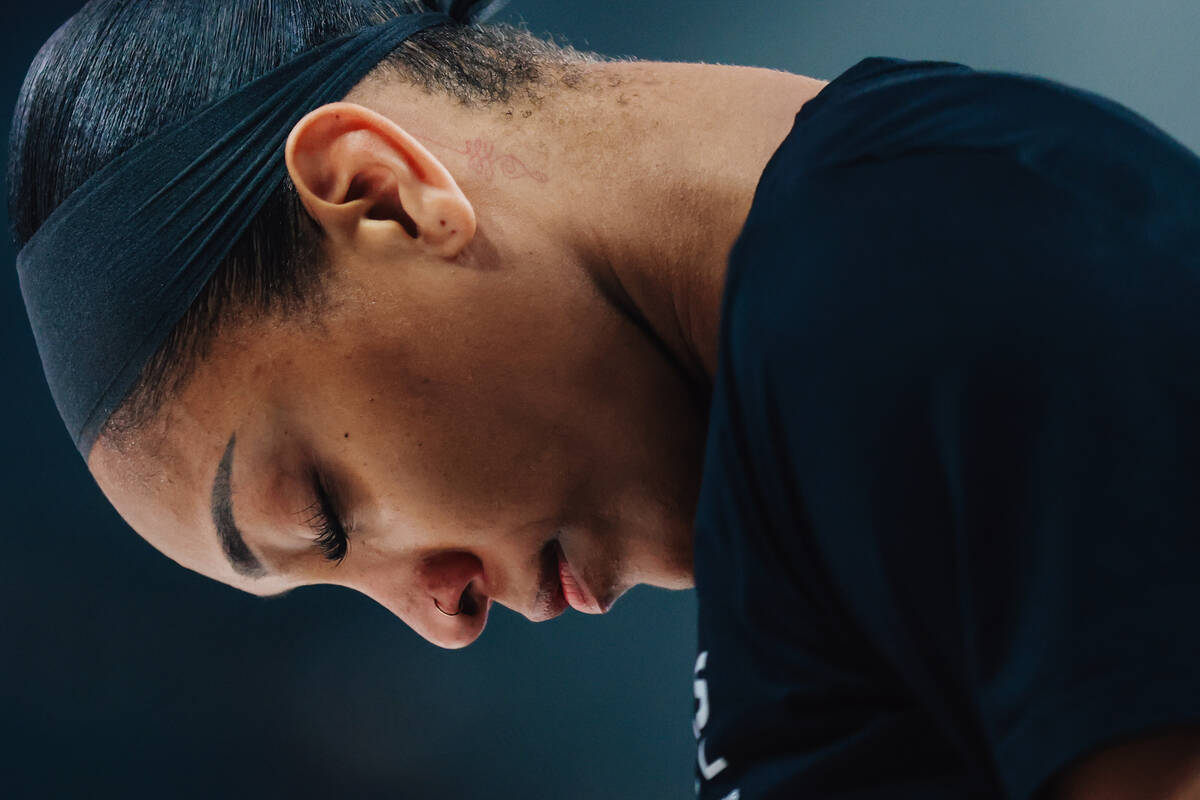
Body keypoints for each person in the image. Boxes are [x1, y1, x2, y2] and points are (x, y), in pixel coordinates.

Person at [9, 1, 1200, 798]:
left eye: (324, 511)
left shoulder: (934, 264)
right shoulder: (827, 391)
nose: (442, 617)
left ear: (379, 193)